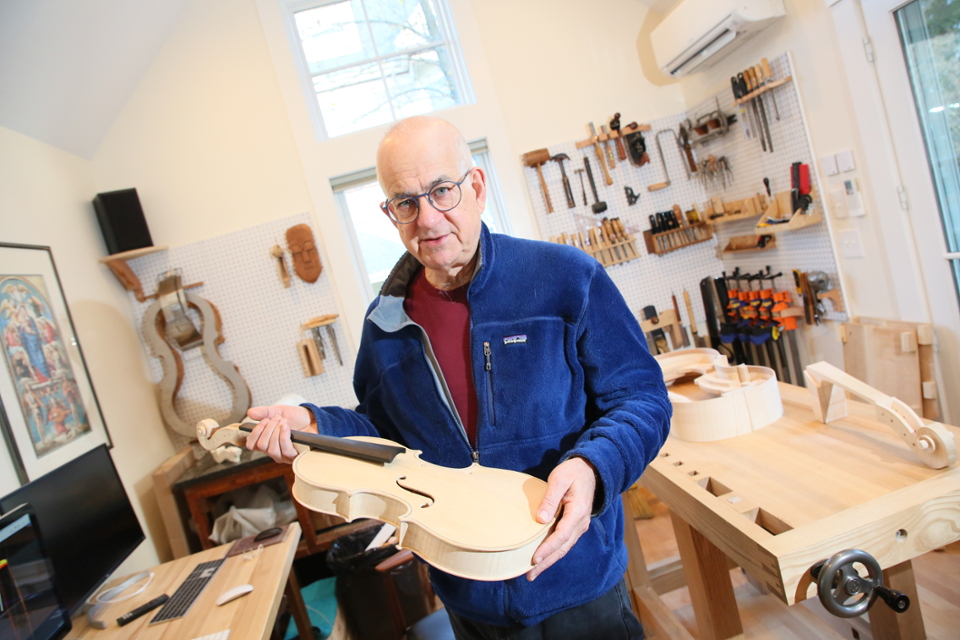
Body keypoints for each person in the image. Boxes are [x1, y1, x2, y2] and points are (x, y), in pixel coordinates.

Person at [246, 116, 671, 639]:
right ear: (391, 214)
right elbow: (382, 434)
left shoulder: (566, 278)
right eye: (405, 202)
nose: (427, 218)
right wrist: (313, 423)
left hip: (577, 585)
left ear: (476, 187)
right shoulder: (386, 322)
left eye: (441, 191)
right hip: (470, 599)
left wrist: (592, 466)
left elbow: (643, 399)